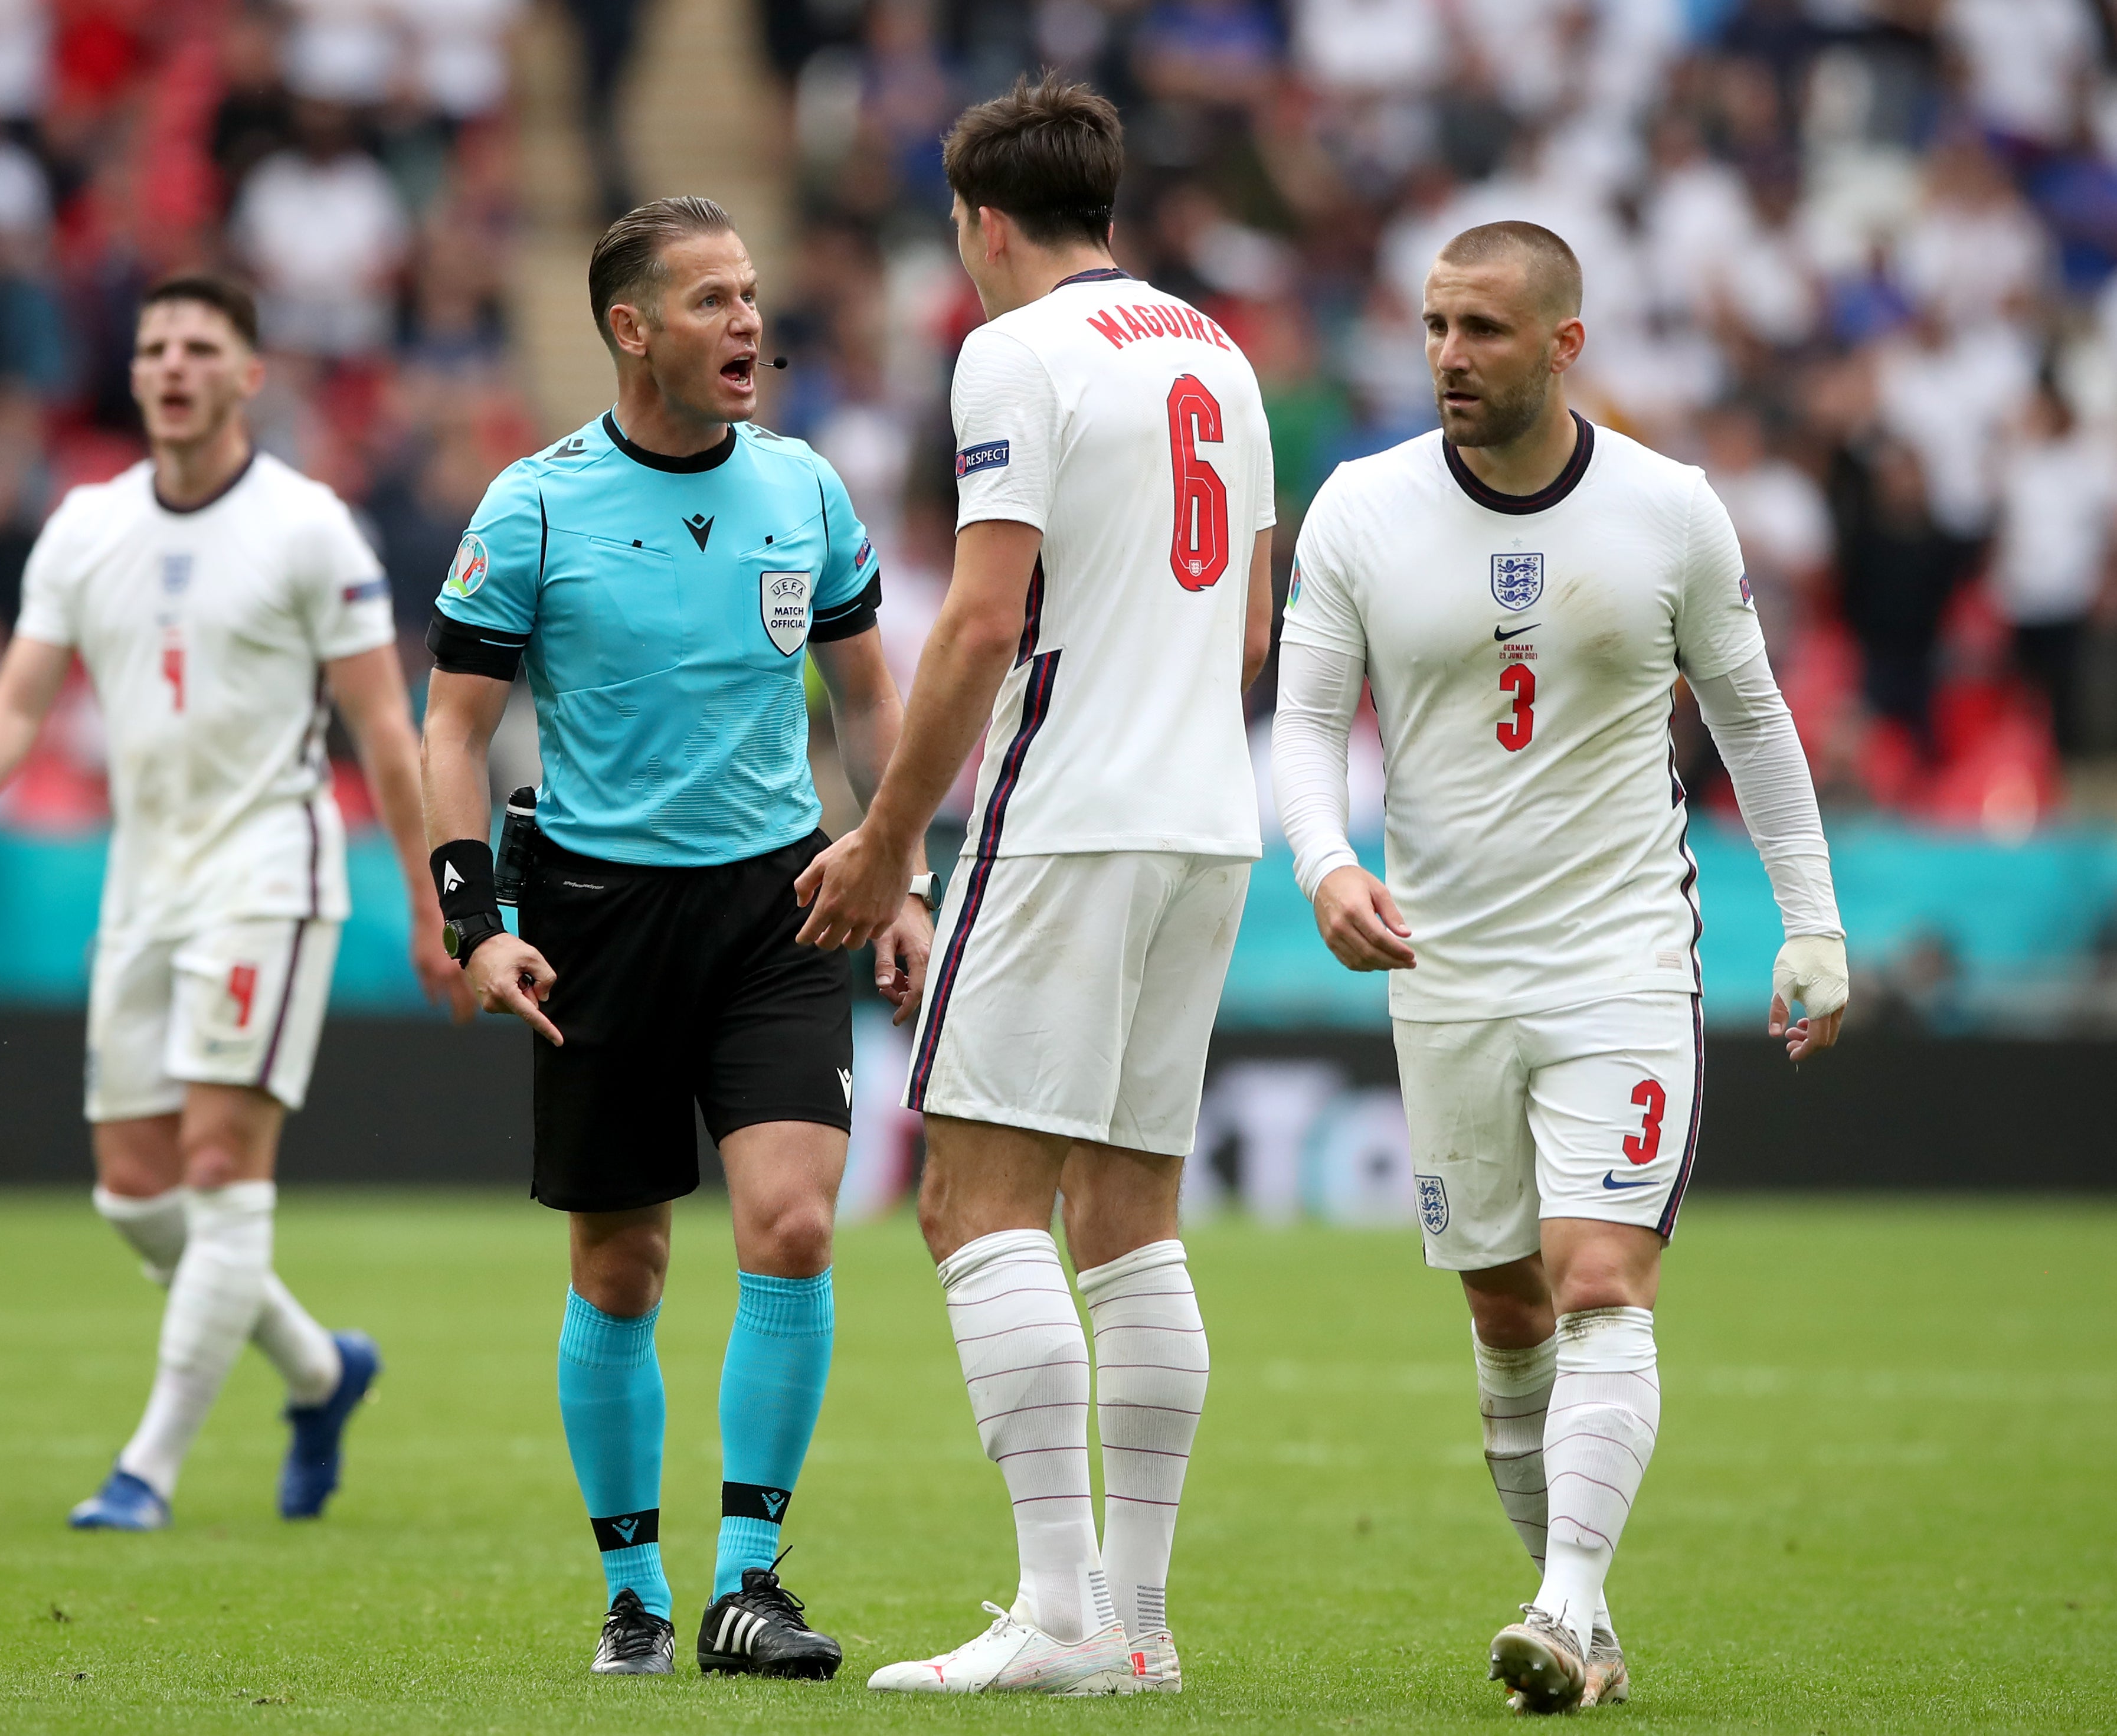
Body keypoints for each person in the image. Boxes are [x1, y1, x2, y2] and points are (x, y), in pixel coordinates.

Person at [1271, 221, 1850, 1714]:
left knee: (1597, 1279)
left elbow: (1754, 722)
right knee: (1504, 1311)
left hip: (1619, 957)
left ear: (1563, 344)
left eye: (1482, 329)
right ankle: (1575, 1624)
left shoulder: (1668, 510)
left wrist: (1812, 924)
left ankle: (1566, 1596)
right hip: (1444, 969)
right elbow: (1301, 721)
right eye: (1434, 327)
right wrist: (1322, 863)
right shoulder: (1357, 510)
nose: (1449, 356)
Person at [793, 76, 1278, 1696]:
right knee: (1130, 1222)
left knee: (972, 1203)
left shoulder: (1012, 351)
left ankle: (1058, 1612)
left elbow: (982, 618)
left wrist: (879, 841)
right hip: (1210, 811)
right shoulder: (1219, 349)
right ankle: (1134, 1624)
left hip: (1065, 814)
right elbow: (1252, 630)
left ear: (982, 224)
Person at [419, 196, 935, 1679]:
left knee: (791, 1222)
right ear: (629, 329)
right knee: (622, 1267)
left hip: (778, 902)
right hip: (596, 914)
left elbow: (868, 706)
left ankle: (748, 1582)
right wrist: (477, 923)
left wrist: (891, 870)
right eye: (712, 301)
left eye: (754, 296)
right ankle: (634, 1592)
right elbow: (451, 732)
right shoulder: (530, 505)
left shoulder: (805, 491)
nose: (750, 326)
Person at [0, 276, 470, 1531]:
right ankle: (319, 1370)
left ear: (251, 376)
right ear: (134, 373)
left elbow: (379, 721)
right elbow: (17, 702)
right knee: (136, 1194)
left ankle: (144, 1468)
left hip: (273, 872)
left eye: (202, 346)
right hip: (143, 879)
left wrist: (429, 903)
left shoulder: (310, 527)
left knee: (218, 1164)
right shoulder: (85, 527)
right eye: (154, 347)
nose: (174, 365)